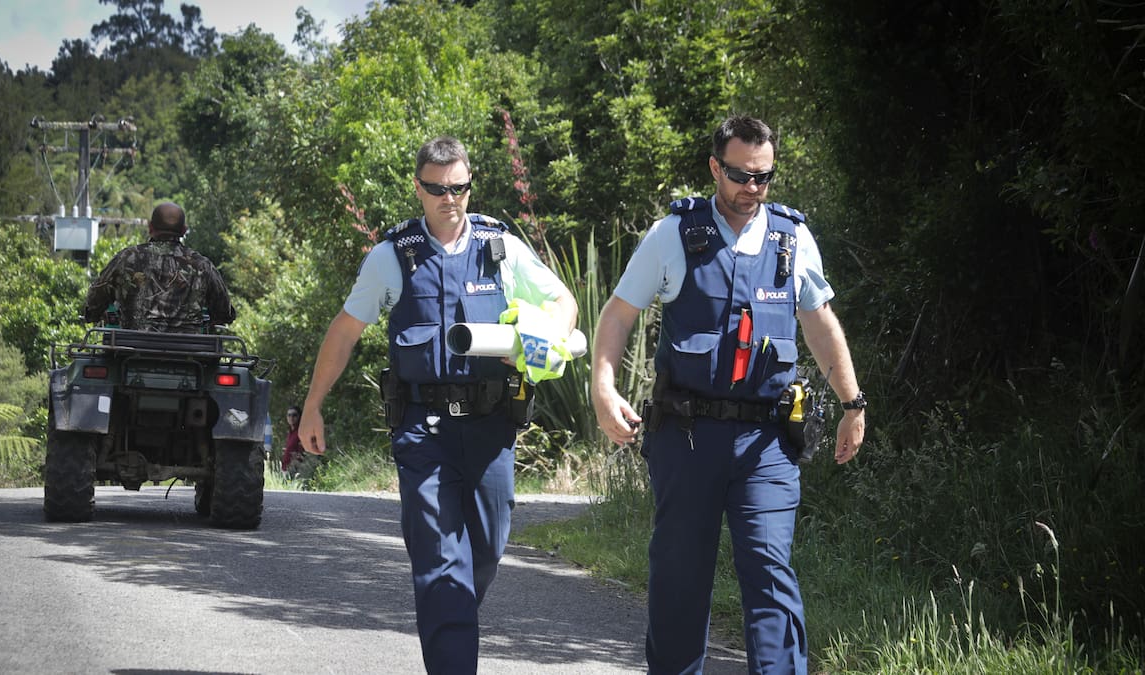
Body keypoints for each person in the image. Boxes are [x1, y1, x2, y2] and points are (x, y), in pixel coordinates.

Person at [590, 115, 866, 675]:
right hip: (686, 436)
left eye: (763, 177)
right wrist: (602, 386)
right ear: (716, 167)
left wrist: (852, 402)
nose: (753, 189)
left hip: (767, 441)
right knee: (679, 577)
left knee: (769, 569)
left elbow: (819, 323)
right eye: (741, 175)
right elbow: (618, 315)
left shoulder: (793, 239)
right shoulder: (674, 236)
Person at [299, 136, 578, 674]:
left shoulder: (501, 247)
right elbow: (345, 331)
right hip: (422, 431)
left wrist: (550, 339)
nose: (450, 198)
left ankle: (449, 625)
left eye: (460, 187)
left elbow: (561, 300)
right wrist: (313, 405)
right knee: (440, 564)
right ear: (418, 188)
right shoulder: (393, 256)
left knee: (488, 551)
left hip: (492, 427)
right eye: (437, 189)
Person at [82, 201, 235, 332]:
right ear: (184, 230)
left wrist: (94, 314)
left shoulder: (127, 259)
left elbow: (94, 302)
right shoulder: (202, 266)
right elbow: (224, 313)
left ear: (150, 227)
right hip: (189, 356)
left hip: (129, 351)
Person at [280, 405, 305, 475]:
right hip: (285, 469)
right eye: (289, 415)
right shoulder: (289, 433)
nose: (291, 418)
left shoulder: (301, 432)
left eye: (294, 415)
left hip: (295, 470)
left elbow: (302, 454)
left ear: (299, 416)